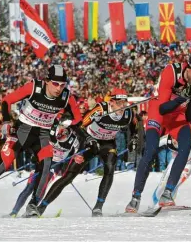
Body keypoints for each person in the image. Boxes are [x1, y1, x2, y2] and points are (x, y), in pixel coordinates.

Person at [0, 65, 82, 216]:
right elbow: (6, 101)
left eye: (62, 85)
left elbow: (78, 119)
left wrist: (66, 127)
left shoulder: (66, 97)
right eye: (55, 84)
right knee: (3, 165)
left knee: (46, 164)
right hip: (22, 131)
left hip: (42, 135)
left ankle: (33, 204)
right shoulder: (34, 87)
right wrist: (5, 121)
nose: (59, 88)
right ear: (47, 81)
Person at [126, 52, 191, 213]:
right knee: (150, 150)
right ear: (188, 67)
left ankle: (167, 193)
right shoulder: (171, 72)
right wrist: (181, 98)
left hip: (178, 115)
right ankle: (135, 197)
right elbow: (162, 108)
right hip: (159, 111)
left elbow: (190, 116)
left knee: (186, 147)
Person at [37, 88, 139, 217]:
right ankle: (42, 207)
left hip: (107, 143)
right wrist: (89, 139)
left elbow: (135, 126)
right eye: (119, 103)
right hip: (89, 142)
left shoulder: (128, 113)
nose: (122, 106)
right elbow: (80, 126)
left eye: (125, 103)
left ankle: (98, 207)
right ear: (111, 102)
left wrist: (134, 139)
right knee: (69, 176)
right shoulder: (101, 109)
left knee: (110, 166)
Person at [7, 115, 81, 217]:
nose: (62, 131)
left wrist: (70, 165)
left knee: (42, 187)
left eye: (64, 129)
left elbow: (74, 155)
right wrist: (34, 157)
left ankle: (31, 210)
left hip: (55, 164)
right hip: (43, 161)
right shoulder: (50, 131)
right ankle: (14, 212)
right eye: (60, 127)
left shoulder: (74, 141)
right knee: (30, 187)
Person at [152, 134, 191, 205]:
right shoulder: (167, 139)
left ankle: (168, 200)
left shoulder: (188, 143)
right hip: (175, 161)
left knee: (175, 183)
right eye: (173, 138)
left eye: (177, 139)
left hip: (187, 164)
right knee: (163, 182)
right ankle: (155, 202)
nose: (175, 141)